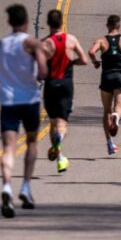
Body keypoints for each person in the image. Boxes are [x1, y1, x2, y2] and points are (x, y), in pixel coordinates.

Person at [0, 4, 47, 218]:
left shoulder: (0, 45)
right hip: (30, 99)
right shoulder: (32, 43)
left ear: (9, 22)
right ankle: (25, 186)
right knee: (31, 142)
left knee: (8, 148)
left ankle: (6, 186)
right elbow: (42, 71)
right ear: (25, 22)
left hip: (8, 102)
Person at [42, 9, 88, 173]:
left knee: (52, 122)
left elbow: (38, 70)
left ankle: (60, 159)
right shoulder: (71, 39)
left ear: (48, 23)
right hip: (66, 85)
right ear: (61, 22)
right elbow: (84, 60)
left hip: (51, 85)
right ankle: (60, 139)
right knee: (62, 123)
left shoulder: (45, 43)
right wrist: (71, 62)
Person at [88, 14, 121, 155]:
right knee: (118, 108)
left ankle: (109, 143)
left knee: (106, 111)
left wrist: (95, 62)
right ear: (118, 26)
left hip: (106, 77)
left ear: (107, 25)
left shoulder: (102, 41)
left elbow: (91, 51)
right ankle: (116, 117)